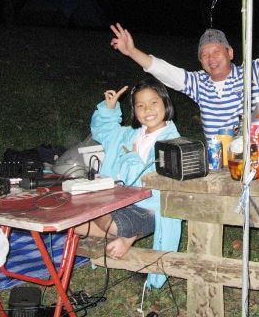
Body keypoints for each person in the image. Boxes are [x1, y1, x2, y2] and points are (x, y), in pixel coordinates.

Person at [110, 1, 259, 141]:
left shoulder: (251, 74)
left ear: (230, 53)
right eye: (204, 55)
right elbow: (163, 70)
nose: (211, 58)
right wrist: (132, 52)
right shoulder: (198, 83)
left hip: (253, 157)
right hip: (217, 161)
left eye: (216, 51)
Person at [74, 77, 181, 289]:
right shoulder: (129, 135)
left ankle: (128, 236)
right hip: (119, 203)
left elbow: (149, 182)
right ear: (134, 110)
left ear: (165, 103)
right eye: (140, 105)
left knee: (104, 217)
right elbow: (104, 132)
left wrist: (131, 158)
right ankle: (124, 234)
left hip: (148, 210)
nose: (147, 109)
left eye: (153, 102)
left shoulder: (172, 143)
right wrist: (109, 109)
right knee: (74, 223)